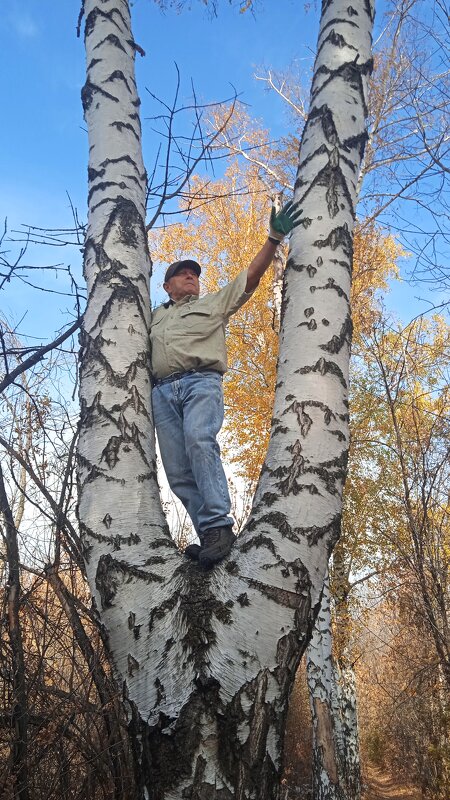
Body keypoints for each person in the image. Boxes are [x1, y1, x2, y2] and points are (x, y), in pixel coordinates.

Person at [150, 200, 302, 567]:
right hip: (160, 393)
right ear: (167, 285)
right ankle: (209, 536)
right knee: (176, 470)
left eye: (195, 274)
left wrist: (273, 238)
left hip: (201, 382)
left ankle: (220, 526)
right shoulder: (152, 316)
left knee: (200, 442)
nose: (192, 277)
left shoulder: (214, 303)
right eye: (183, 274)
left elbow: (250, 277)